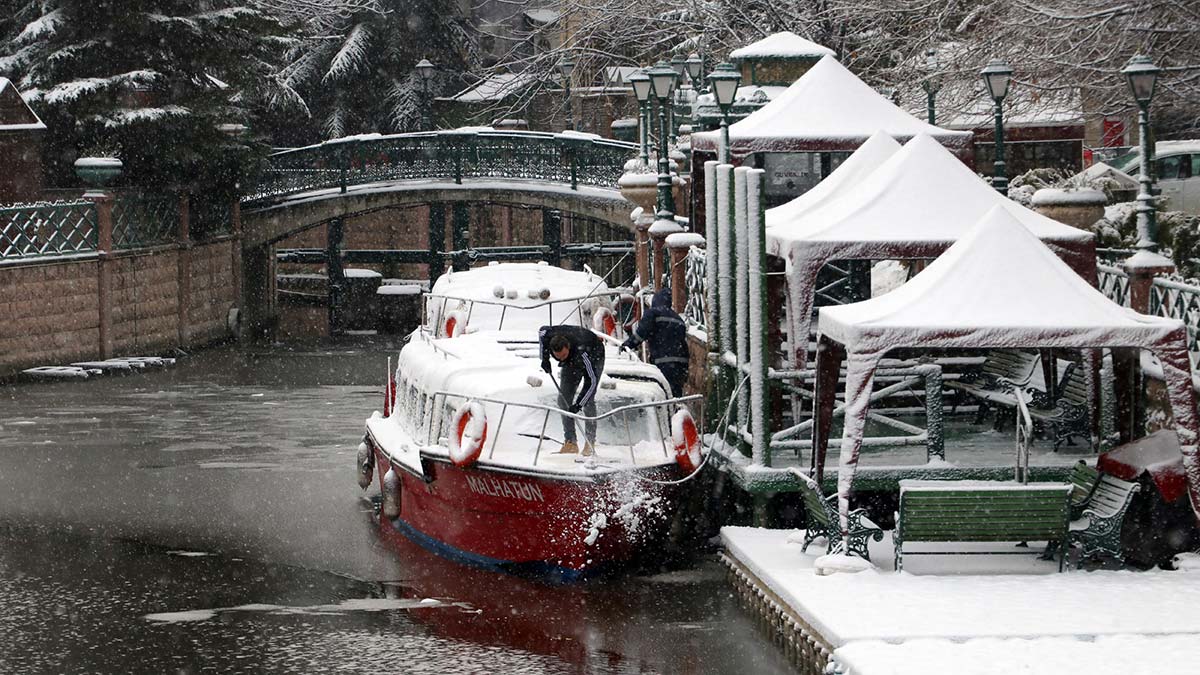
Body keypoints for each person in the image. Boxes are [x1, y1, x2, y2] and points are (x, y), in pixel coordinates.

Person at [539, 324, 605, 455]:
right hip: (572, 359)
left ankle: (590, 443)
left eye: (563, 355)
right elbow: (542, 331)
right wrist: (545, 358)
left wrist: (578, 404)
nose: (561, 359)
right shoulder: (548, 335)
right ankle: (570, 442)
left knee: (588, 401)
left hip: (594, 354)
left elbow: (591, 382)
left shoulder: (584, 353)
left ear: (567, 347)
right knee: (563, 400)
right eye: (558, 357)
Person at [621, 288, 689, 398]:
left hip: (663, 362)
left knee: (663, 395)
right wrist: (685, 368)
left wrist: (627, 345)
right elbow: (684, 345)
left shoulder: (653, 313)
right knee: (675, 396)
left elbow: (641, 334)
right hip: (679, 365)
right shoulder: (678, 319)